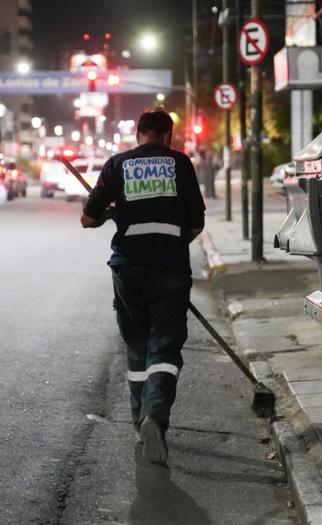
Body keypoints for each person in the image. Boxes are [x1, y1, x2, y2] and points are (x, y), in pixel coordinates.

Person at [80, 109, 206, 465]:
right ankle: (155, 415)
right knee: (165, 344)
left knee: (137, 345)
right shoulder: (180, 164)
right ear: (167, 135)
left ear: (139, 134)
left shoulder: (117, 165)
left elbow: (87, 219)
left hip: (128, 267)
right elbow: (196, 223)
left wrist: (113, 212)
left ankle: (140, 425)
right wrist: (172, 240)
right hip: (169, 267)